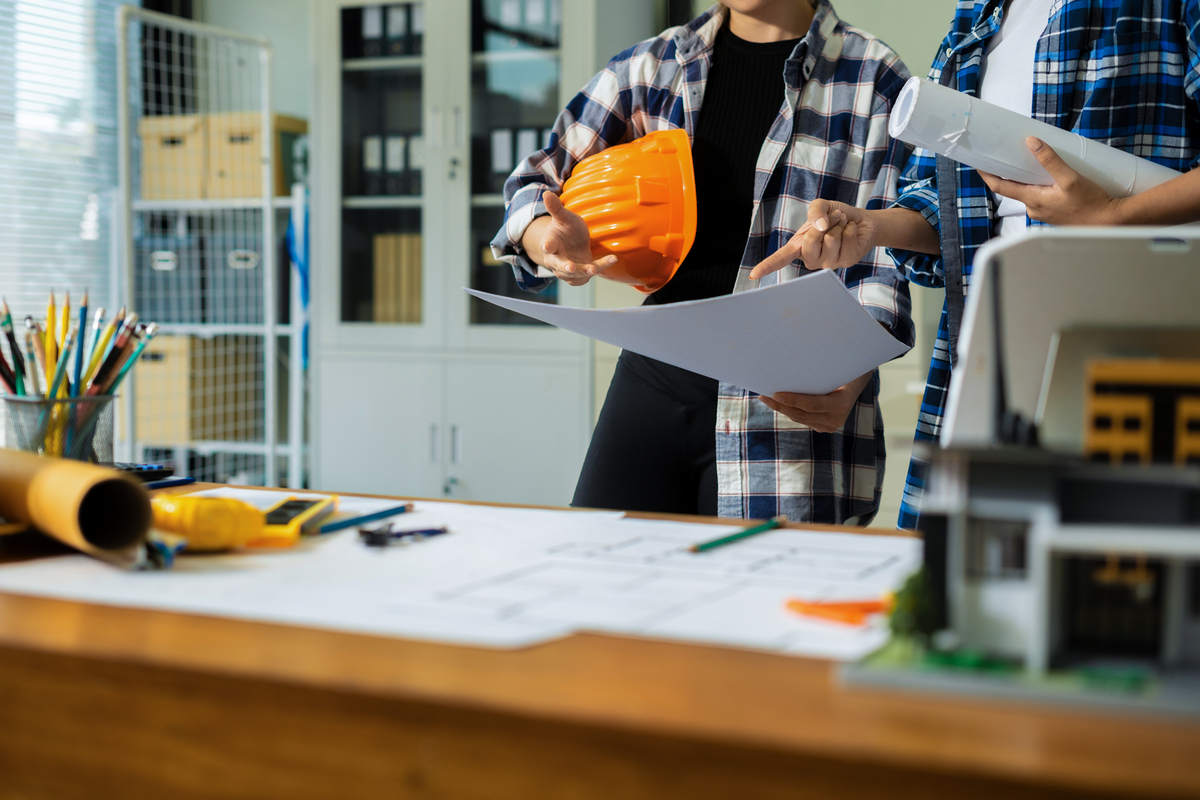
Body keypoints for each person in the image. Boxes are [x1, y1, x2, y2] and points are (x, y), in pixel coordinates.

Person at [749, 0, 1200, 529]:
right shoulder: (978, 17)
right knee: (971, 571)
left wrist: (1116, 215)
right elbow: (945, 203)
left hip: (1138, 341)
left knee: (1118, 564)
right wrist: (872, 228)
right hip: (996, 340)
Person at [490, 0, 914, 524]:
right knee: (601, 577)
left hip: (788, 395)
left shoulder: (874, 76)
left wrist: (849, 372)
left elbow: (891, 248)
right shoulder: (652, 67)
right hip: (655, 374)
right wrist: (544, 237)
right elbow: (533, 184)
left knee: (758, 594)